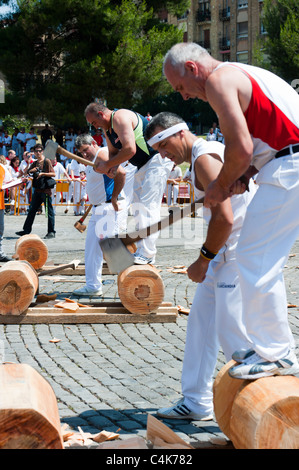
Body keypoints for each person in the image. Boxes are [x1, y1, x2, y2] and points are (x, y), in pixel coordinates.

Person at [163, 41, 299, 379]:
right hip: (284, 163)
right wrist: (247, 171)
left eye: (180, 86)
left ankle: (277, 353)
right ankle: (272, 347)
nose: (184, 96)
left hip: (289, 168)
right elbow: (267, 142)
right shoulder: (244, 73)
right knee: (259, 259)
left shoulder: (218, 80)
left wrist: (220, 184)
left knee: (254, 258)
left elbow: (240, 148)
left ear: (193, 68)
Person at [144, 111, 255, 420]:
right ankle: (196, 401)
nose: (164, 156)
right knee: (201, 326)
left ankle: (260, 402)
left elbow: (225, 219)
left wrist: (202, 260)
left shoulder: (205, 159)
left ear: (180, 133)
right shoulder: (199, 160)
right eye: (158, 151)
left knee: (231, 329)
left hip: (237, 251)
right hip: (224, 251)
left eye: (165, 146)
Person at [84, 102, 173, 265]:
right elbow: (113, 152)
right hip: (142, 164)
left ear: (101, 114)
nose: (94, 126)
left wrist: (109, 165)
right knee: (138, 207)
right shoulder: (107, 128)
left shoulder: (120, 117)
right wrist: (112, 166)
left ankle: (147, 253)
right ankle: (142, 251)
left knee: (148, 205)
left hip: (156, 158)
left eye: (94, 122)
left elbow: (130, 149)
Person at [73, 134, 127, 296]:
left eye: (85, 150)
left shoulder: (102, 154)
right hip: (99, 209)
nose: (84, 154)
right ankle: (93, 286)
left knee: (111, 250)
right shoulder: (93, 160)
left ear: (93, 143)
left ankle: (133, 280)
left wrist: (115, 197)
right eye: (81, 152)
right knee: (92, 249)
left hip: (107, 208)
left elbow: (122, 173)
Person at [15, 143, 56, 239]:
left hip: (45, 191)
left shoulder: (46, 161)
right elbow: (25, 172)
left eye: (39, 151)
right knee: (31, 211)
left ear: (42, 151)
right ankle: (26, 230)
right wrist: (30, 167)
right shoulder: (34, 163)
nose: (37, 153)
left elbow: (53, 174)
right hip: (37, 190)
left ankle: (51, 232)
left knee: (48, 212)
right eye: (36, 151)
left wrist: (42, 174)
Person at [0, 158, 13, 261]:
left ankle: (0, 253)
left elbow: (9, 181)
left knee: (0, 229)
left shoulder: (2, 167)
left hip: (0, 204)